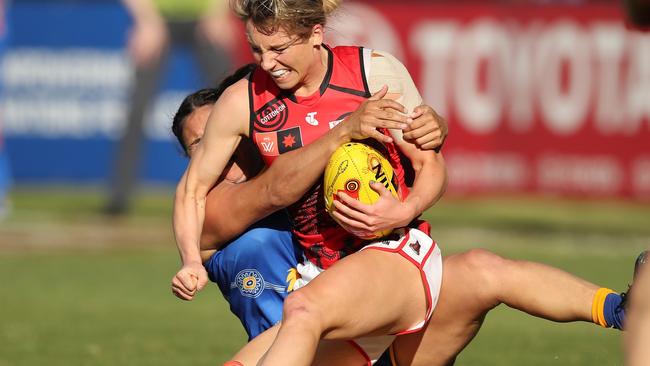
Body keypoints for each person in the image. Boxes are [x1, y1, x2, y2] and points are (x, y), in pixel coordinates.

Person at [172, 1, 630, 364]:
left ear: (315, 34)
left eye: (277, 49)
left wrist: (411, 191)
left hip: (386, 262)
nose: (267, 64)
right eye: (255, 50)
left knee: (312, 308)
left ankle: (622, 310)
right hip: (332, 304)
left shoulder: (369, 73)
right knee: (310, 313)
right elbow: (269, 190)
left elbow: (431, 163)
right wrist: (190, 259)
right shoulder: (226, 175)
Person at [106, 0, 235, 215]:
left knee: (231, 101)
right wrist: (146, 20)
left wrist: (218, 12)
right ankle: (119, 197)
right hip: (155, 16)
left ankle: (243, 185)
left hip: (206, 16)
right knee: (137, 109)